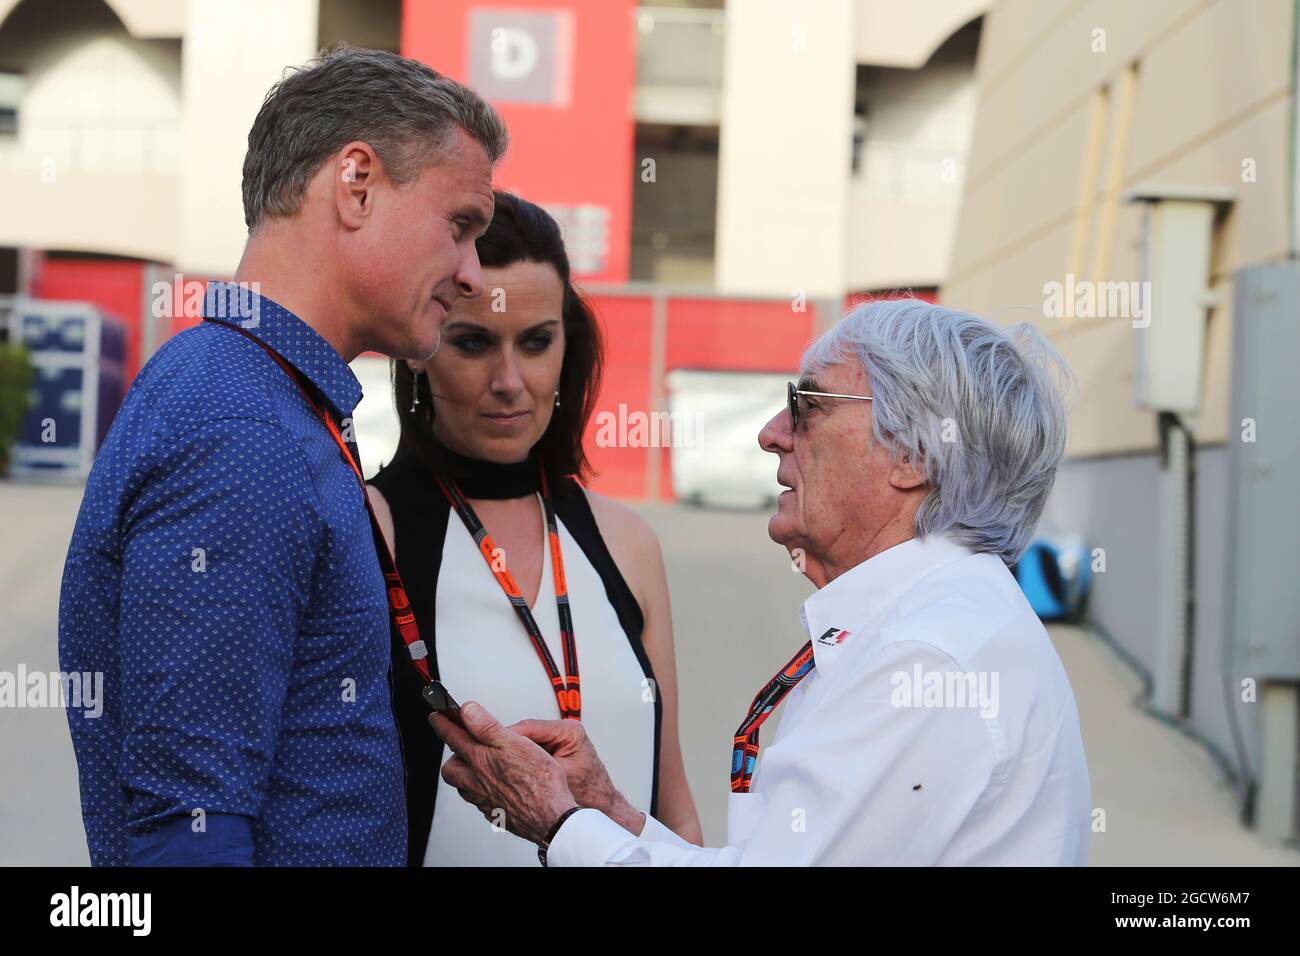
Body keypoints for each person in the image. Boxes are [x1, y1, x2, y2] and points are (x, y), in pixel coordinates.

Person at [430, 298, 1094, 866]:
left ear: (914, 456)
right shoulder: (943, 625)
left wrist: (558, 821)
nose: (771, 434)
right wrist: (602, 808)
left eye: (806, 404)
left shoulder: (926, 657)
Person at [57, 45, 507, 866]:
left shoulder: (260, 399)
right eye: (461, 226)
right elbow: (189, 831)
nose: (473, 274)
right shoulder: (244, 429)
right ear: (356, 183)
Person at [366, 191, 701, 865]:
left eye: (537, 342)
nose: (510, 381)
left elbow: (674, 813)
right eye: (473, 343)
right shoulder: (374, 526)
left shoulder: (628, 543)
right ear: (418, 348)